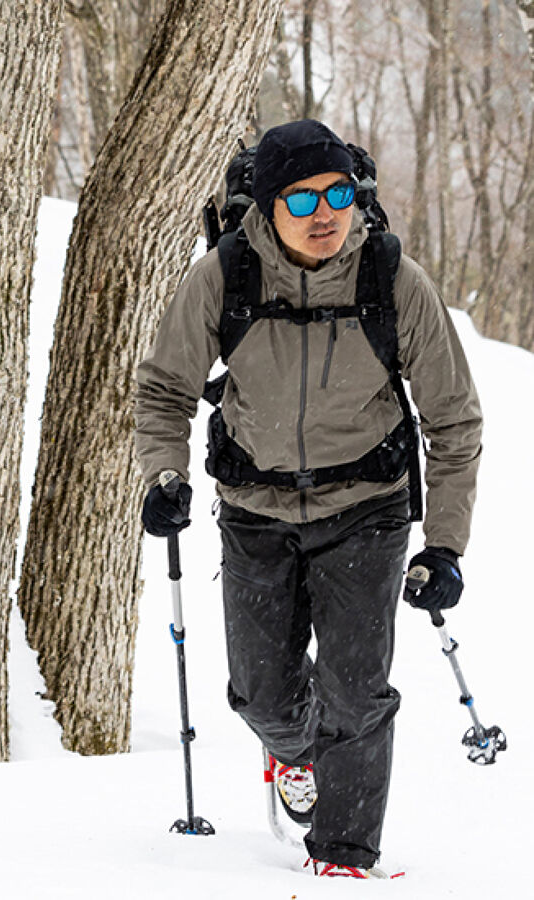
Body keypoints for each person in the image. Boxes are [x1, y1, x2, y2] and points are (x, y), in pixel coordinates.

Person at [134, 119, 482, 878]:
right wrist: (164, 476)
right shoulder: (224, 278)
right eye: (301, 199)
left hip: (367, 508)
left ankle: (344, 857)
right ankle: (295, 753)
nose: (325, 214)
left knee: (356, 693)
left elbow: (454, 420)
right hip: (254, 510)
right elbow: (163, 392)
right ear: (267, 207)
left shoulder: (393, 279)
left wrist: (445, 546)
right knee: (260, 696)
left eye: (338, 194)